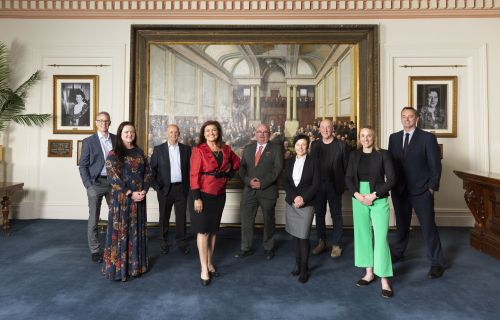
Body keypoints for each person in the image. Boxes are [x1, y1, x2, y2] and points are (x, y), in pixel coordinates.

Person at [388, 107, 445, 279]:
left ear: (417, 119)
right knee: (402, 225)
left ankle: (437, 262)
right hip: (400, 190)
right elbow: (391, 164)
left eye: (410, 117)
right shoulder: (394, 138)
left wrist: (432, 188)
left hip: (421, 190)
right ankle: (398, 252)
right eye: (404, 117)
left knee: (428, 226)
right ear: (400, 118)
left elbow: (436, 165)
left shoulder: (427, 138)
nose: (407, 119)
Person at [345, 126, 396, 298]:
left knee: (381, 238)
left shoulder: (384, 154)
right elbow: (348, 178)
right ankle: (369, 273)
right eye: (362, 136)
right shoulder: (354, 155)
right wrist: (358, 195)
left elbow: (392, 179)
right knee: (363, 236)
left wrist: (374, 195)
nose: (366, 139)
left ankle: (384, 279)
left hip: (378, 196)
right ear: (359, 138)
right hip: (359, 197)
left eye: (369, 136)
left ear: (375, 137)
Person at [189, 120, 240, 286]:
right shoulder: (198, 150)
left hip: (219, 195)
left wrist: (228, 175)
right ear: (204, 134)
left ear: (218, 132)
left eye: (214, 130)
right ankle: (204, 268)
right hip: (202, 195)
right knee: (202, 232)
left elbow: (237, 163)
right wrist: (196, 197)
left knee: (212, 231)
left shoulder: (226, 149)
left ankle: (210, 262)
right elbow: (194, 174)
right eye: (208, 130)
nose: (211, 133)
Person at [102, 121, 152, 281]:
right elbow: (112, 178)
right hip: (123, 200)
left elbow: (148, 173)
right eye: (126, 132)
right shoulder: (114, 153)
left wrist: (143, 190)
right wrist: (130, 193)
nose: (130, 135)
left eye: (132, 132)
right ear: (120, 134)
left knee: (136, 232)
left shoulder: (139, 152)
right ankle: (120, 270)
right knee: (122, 233)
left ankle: (136, 266)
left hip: (139, 199)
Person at [236, 123, 283, 260]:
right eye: (259, 132)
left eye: (265, 132)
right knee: (246, 219)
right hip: (249, 190)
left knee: (269, 220)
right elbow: (242, 168)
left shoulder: (276, 149)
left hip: (267, 191)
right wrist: (248, 181)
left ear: (269, 134)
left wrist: (262, 183)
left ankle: (269, 248)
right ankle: (246, 247)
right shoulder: (248, 148)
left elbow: (277, 169)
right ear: (255, 134)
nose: (262, 135)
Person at [79, 111, 116, 262]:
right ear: (96, 122)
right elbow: (83, 166)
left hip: (113, 183)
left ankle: (115, 246)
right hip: (96, 183)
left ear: (109, 123)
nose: (103, 124)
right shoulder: (88, 141)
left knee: (116, 216)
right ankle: (95, 250)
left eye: (106, 121)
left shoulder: (116, 139)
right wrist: (89, 186)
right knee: (94, 218)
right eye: (100, 121)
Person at [283, 134, 320, 283]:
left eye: (304, 145)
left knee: (303, 236)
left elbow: (316, 184)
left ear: (308, 146)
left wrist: (303, 199)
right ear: (294, 146)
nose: (300, 147)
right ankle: (297, 264)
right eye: (298, 144)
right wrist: (294, 198)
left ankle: (304, 268)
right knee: (295, 236)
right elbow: (286, 183)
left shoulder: (314, 162)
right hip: (292, 203)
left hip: (307, 203)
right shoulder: (289, 161)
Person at [309, 119, 349, 257]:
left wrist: (342, 183)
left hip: (334, 185)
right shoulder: (314, 145)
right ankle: (321, 241)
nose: (326, 130)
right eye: (323, 127)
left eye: (328, 127)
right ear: (319, 129)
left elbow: (346, 167)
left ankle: (337, 244)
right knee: (319, 214)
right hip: (318, 186)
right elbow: (311, 167)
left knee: (336, 215)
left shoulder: (341, 145)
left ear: (333, 129)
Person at [150, 124, 192, 255]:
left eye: (176, 132)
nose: (173, 135)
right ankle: (163, 241)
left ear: (179, 134)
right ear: (166, 134)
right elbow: (151, 171)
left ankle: (181, 241)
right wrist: (157, 187)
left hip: (181, 188)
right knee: (164, 217)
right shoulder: (158, 150)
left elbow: (191, 170)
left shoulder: (187, 149)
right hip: (165, 189)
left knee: (181, 216)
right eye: (171, 132)